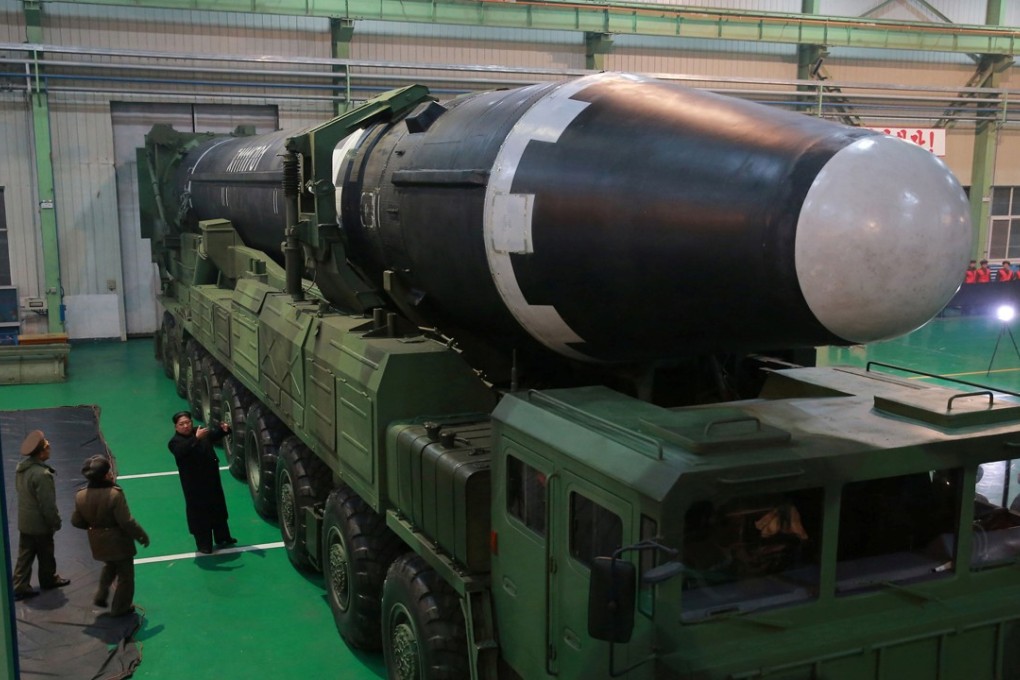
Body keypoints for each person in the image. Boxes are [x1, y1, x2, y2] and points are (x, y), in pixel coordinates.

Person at [71, 455, 150, 617]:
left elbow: (76, 521)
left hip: (97, 541)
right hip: (118, 542)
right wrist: (141, 536)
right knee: (126, 576)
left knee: (110, 565)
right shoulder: (114, 494)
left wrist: (95, 528)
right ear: (106, 475)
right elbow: (126, 521)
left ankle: (101, 593)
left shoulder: (80, 495)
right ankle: (121, 607)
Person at [167, 411, 237, 554]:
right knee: (200, 515)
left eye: (188, 422)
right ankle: (204, 545)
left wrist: (223, 430)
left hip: (211, 481)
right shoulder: (175, 442)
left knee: (218, 509)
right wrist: (196, 439)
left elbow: (213, 435)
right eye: (182, 424)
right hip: (195, 486)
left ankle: (223, 537)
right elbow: (181, 451)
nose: (186, 426)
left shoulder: (198, 432)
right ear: (176, 427)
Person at [12, 430, 70, 600]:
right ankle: (48, 579)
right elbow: (47, 505)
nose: (49, 448)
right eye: (46, 446)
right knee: (46, 553)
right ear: (41, 453)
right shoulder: (42, 475)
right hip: (40, 524)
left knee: (25, 555)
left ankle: (20, 586)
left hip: (25, 521)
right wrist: (55, 522)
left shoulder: (22, 469)